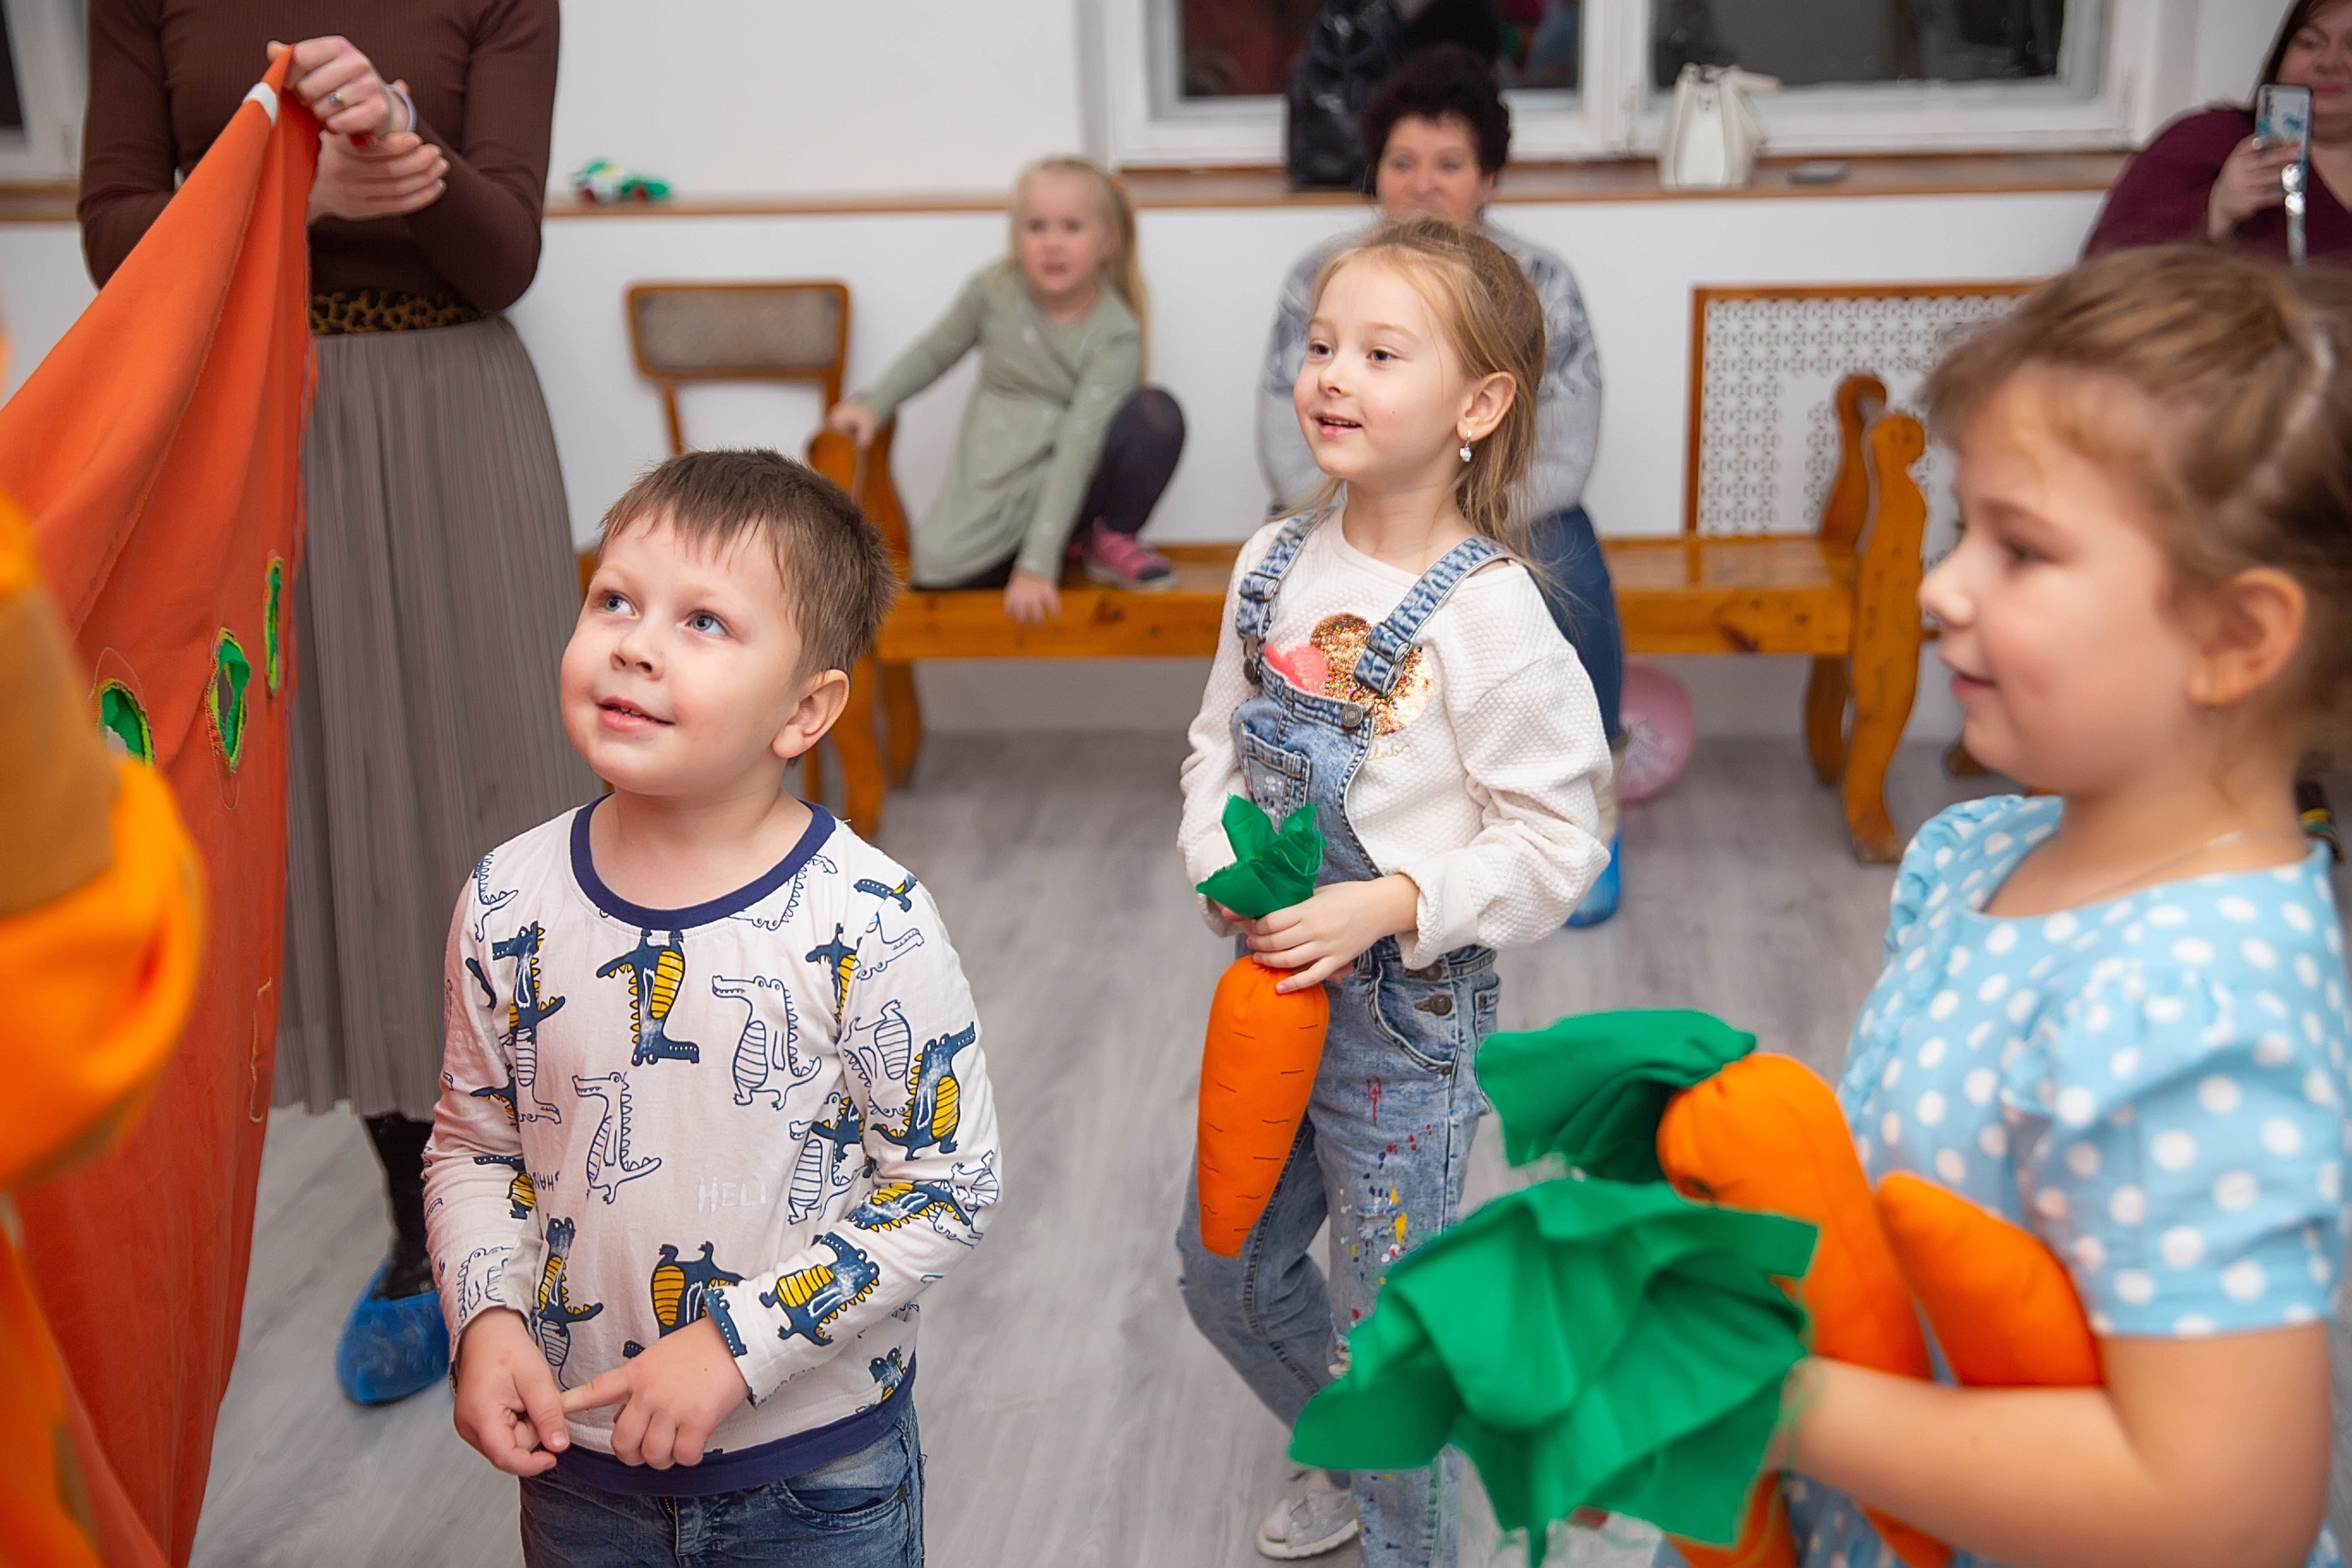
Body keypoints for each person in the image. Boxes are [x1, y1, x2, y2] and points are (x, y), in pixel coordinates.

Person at [1686, 245, 2352, 1568]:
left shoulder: (2195, 995)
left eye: (2022, 548)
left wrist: (1785, 1407)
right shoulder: (1985, 851)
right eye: (1958, 530)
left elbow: (2221, 1509)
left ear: (2235, 637)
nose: (1940, 586)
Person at [78, 7, 594, 1405]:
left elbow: (504, 256)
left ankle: (568, 1202)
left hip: (453, 413)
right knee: (337, 825)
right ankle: (426, 1231)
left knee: (505, 812)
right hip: (245, 416)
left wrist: (398, 149)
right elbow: (114, 238)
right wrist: (284, 187)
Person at [424, 450, 1001, 1567]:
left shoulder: (871, 918)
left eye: (704, 622)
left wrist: (738, 1347)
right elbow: (474, 1144)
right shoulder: (504, 899)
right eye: (614, 599)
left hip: (816, 1478)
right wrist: (485, 1316)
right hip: (579, 1469)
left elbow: (946, 1184)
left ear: (804, 710)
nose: (634, 641)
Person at [1179, 218, 1611, 1565]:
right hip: (1271, 1000)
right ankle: (1355, 1452)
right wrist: (1219, 867)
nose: (1332, 374)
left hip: (1405, 1035)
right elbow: (1214, 748)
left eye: (1379, 350)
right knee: (1223, 1273)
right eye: (1320, 345)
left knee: (1388, 1327)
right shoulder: (1268, 566)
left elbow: (1561, 835)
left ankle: (1405, 1522)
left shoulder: (1491, 614)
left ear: (1479, 404)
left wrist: (1396, 900)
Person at [1256, 45, 1627, 924]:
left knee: (1569, 555)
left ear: (1488, 178)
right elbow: (1284, 437)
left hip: (1497, 506)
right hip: (1352, 509)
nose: (1425, 184)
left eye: (1450, 164)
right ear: (1374, 174)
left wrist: (1446, 525)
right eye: (1403, 162)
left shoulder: (1542, 286)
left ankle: (1584, 818)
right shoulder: (1320, 276)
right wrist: (1378, 509)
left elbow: (1567, 450)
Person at [2080, 0, 2347, 863]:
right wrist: (2222, 208)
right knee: (2266, 541)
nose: (2331, 61)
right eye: (2312, 39)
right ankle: (2277, 774)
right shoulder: (2206, 149)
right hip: (2229, 418)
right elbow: (2109, 277)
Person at [825, 157, 1186, 620]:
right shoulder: (994, 290)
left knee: (1155, 415)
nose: (1052, 243)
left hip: (1067, 468)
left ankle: (1103, 538)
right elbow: (935, 351)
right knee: (938, 567)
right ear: (1017, 237)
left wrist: (1037, 566)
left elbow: (1080, 447)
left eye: (1072, 227)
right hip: (999, 472)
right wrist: (874, 406)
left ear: (1107, 242)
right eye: (1036, 227)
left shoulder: (1114, 332)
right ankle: (1047, 541)